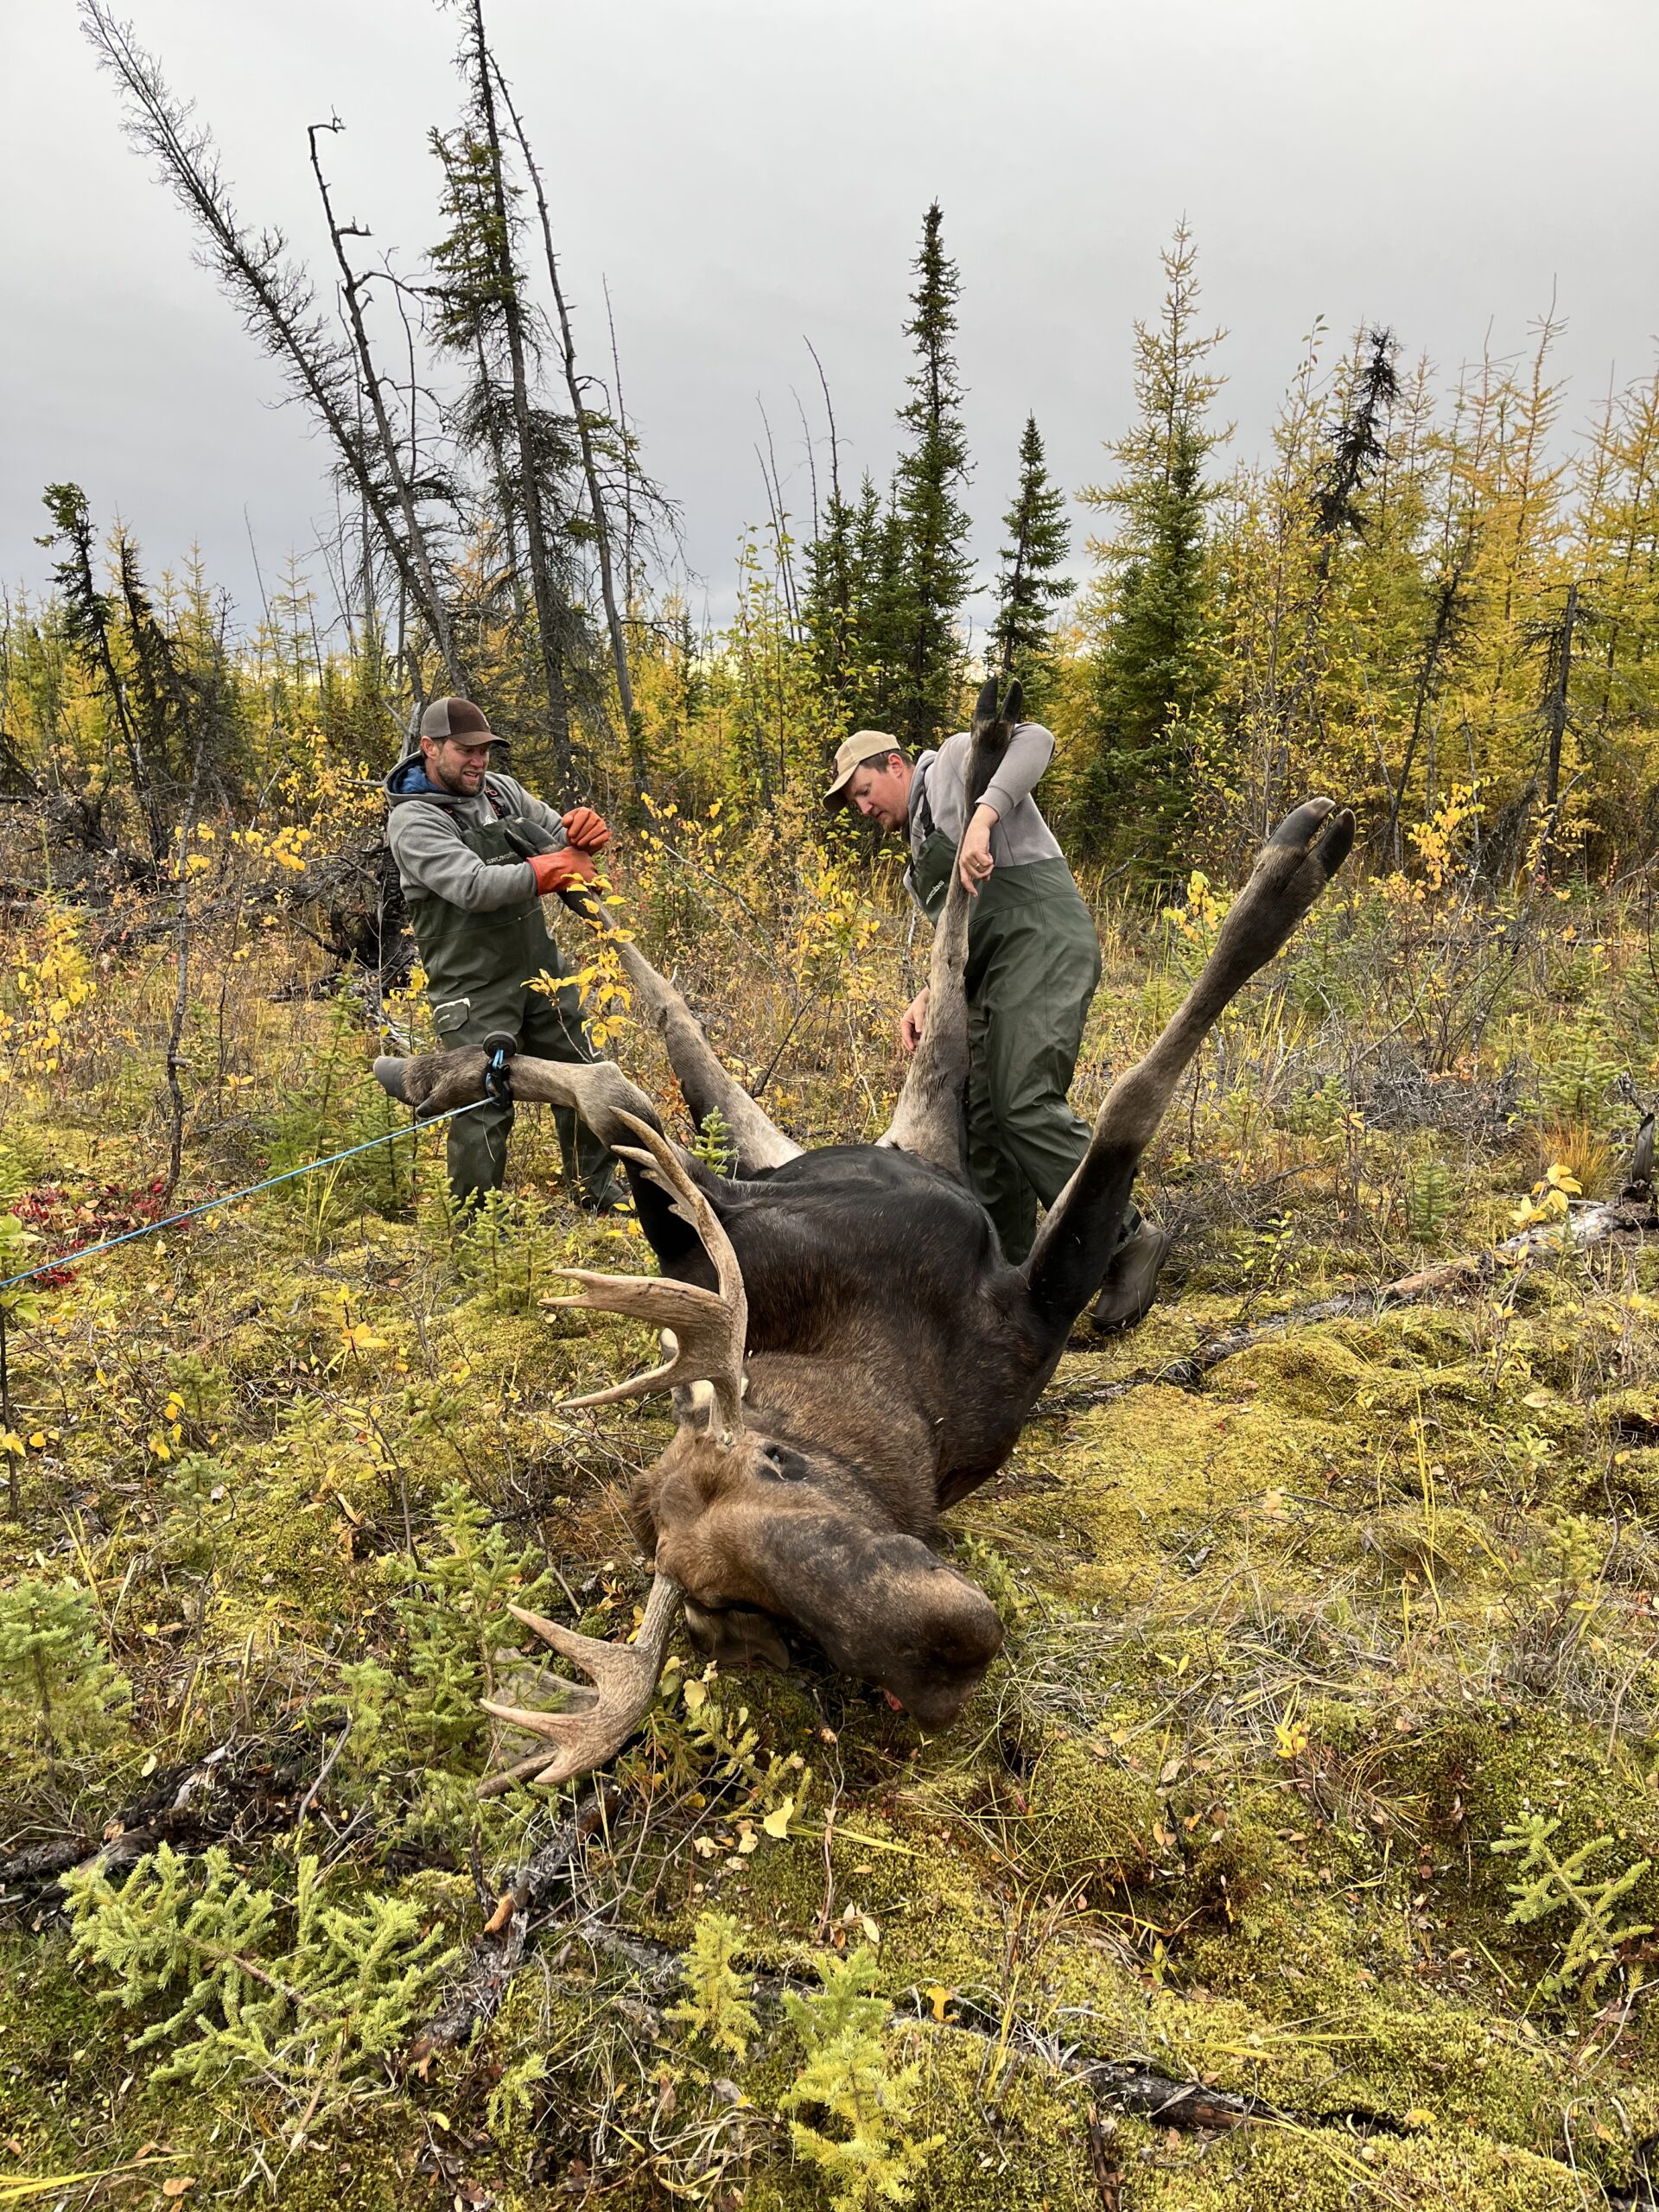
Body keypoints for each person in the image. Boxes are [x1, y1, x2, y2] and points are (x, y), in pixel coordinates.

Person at [824, 721, 1168, 1327]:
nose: (863, 808)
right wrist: (931, 991)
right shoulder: (915, 860)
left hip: (1041, 942)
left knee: (1022, 1102)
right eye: (854, 802)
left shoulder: (958, 763)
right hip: (989, 974)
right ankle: (1006, 1282)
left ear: (896, 765)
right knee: (982, 1126)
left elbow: (1037, 739)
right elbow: (964, 926)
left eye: (862, 790)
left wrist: (984, 819)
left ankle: (1129, 1239)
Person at [384, 696, 619, 1214]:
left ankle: (596, 1191)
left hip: (542, 972)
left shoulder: (501, 792)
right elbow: (471, 885)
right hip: (472, 988)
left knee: (583, 1072)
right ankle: (477, 1229)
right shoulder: (414, 821)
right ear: (429, 748)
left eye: (485, 750)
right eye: (465, 750)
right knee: (482, 1100)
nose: (478, 760)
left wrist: (583, 832)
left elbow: (559, 835)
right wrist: (552, 869)